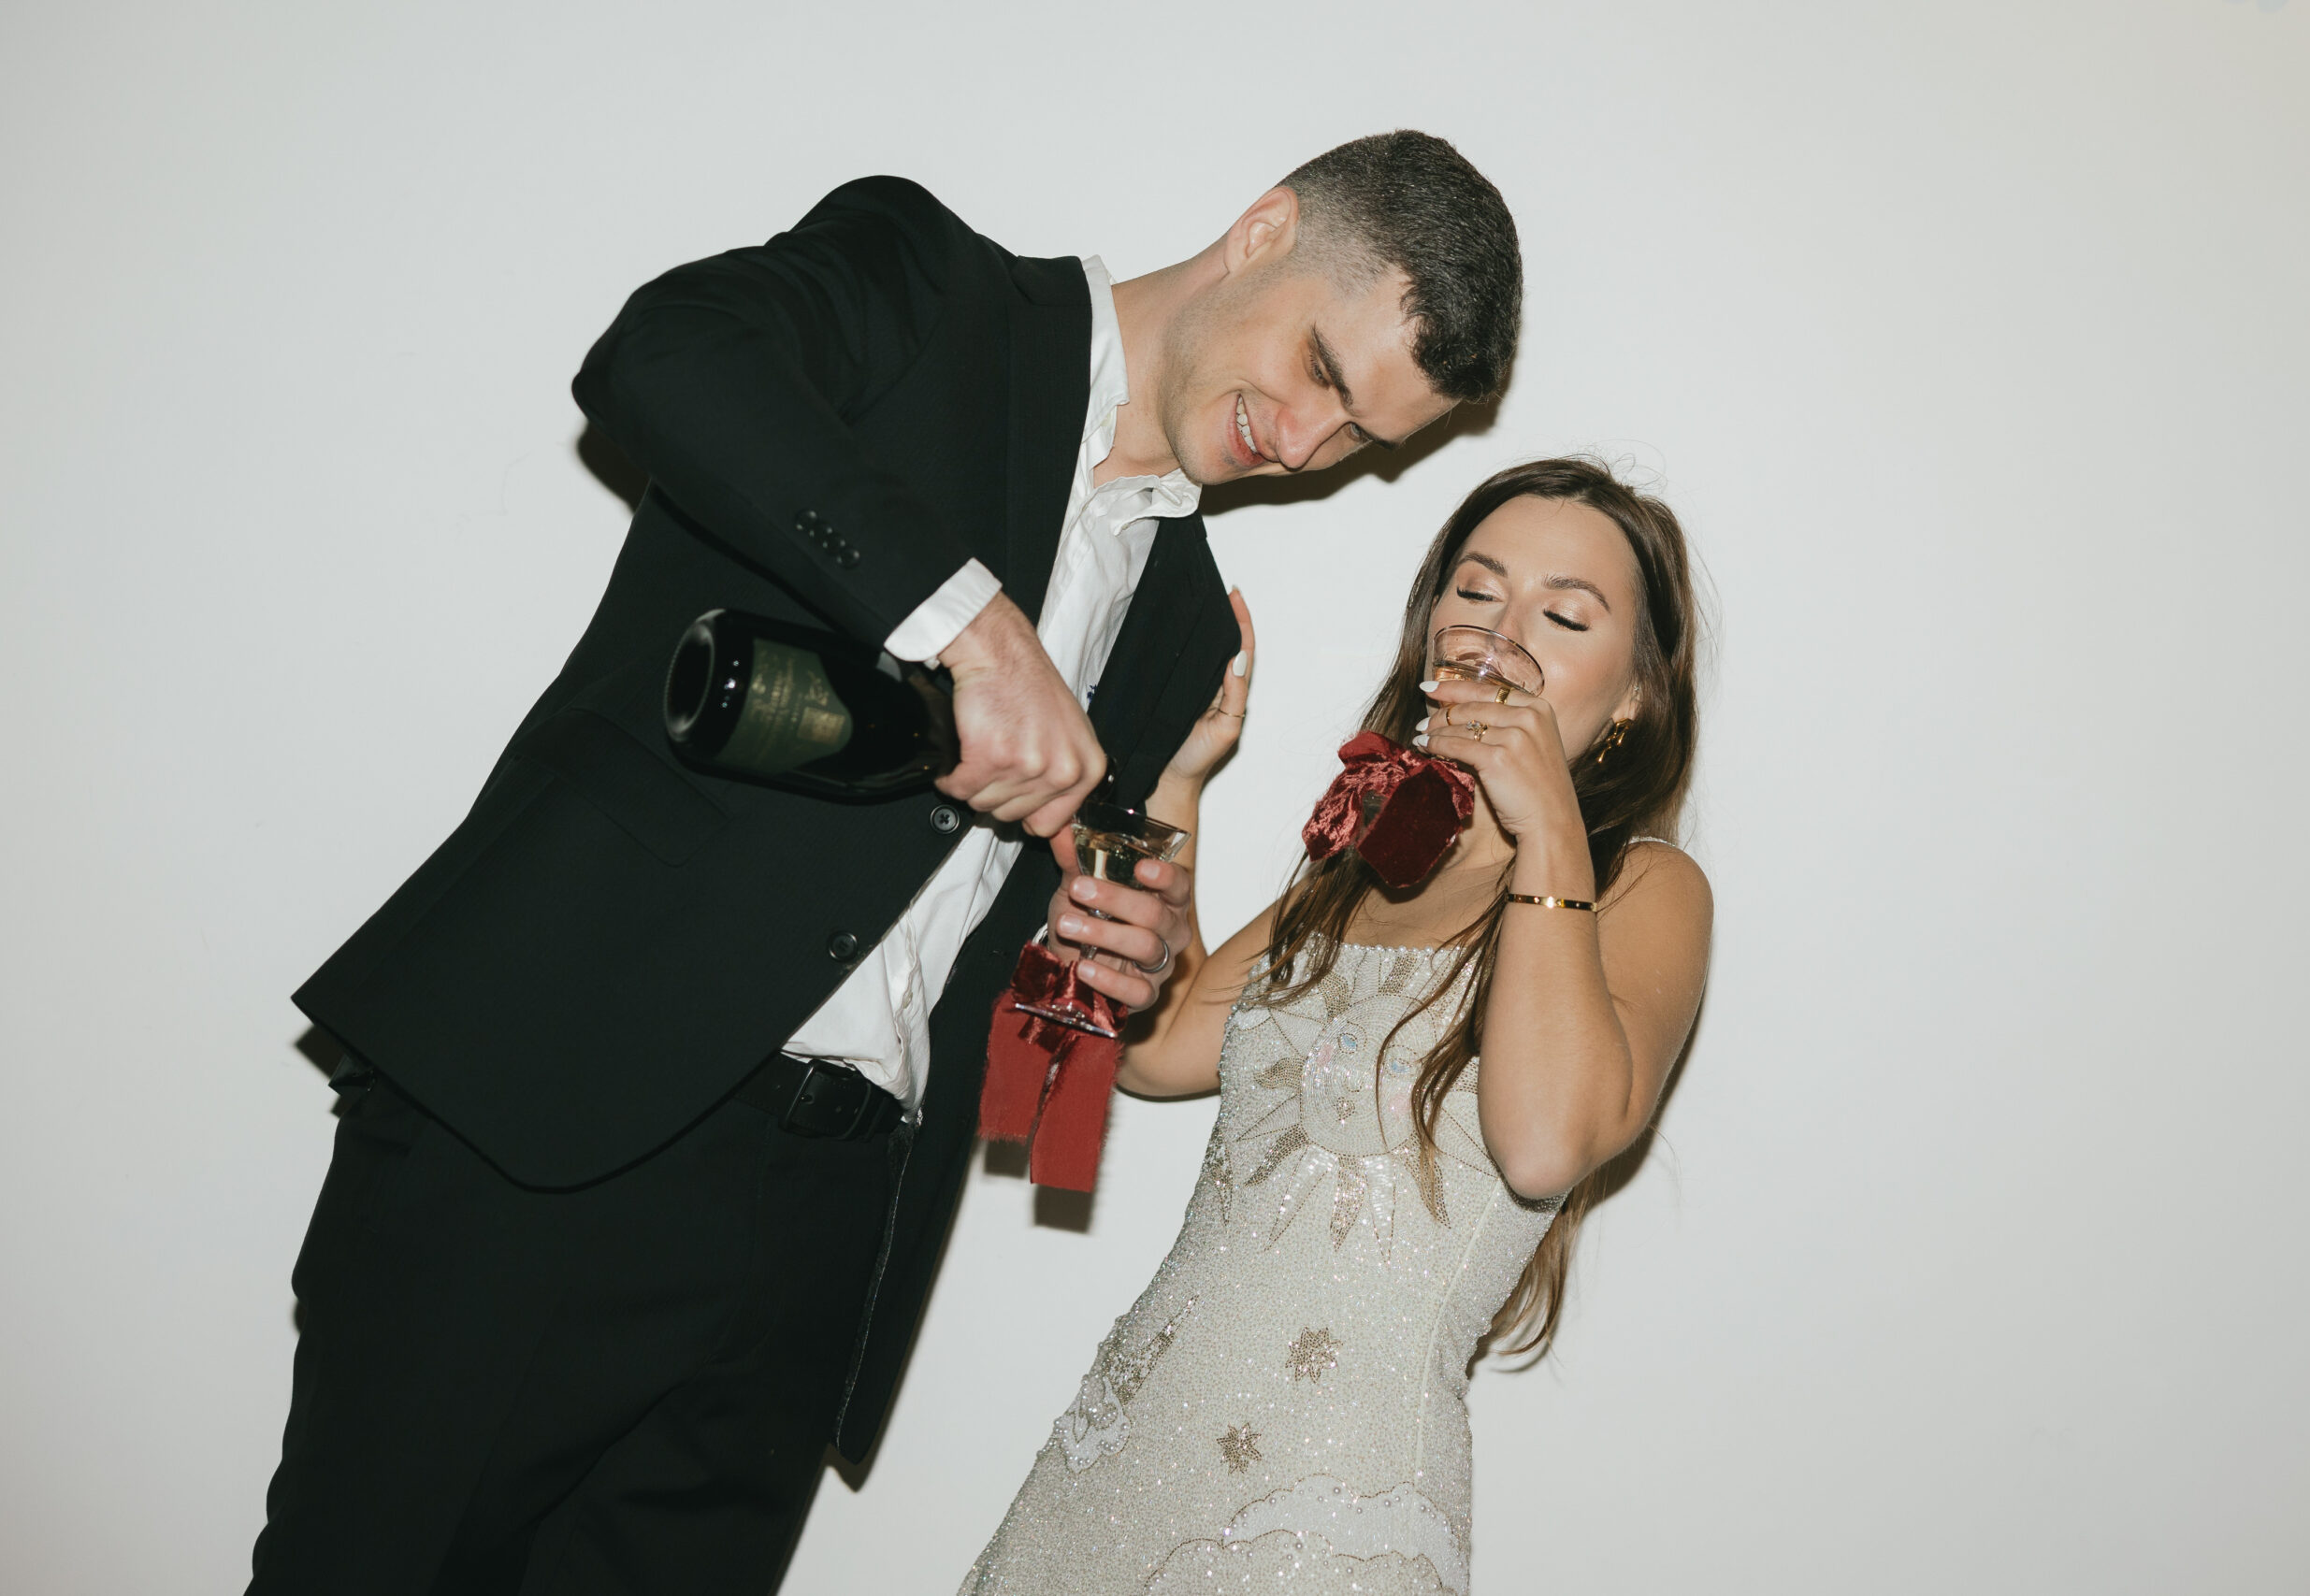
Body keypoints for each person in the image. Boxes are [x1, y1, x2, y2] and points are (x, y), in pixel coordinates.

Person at [249, 132, 1522, 1594]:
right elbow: (660, 353)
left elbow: (1034, 1033)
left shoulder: (1185, 620)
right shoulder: (934, 290)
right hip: (560, 1121)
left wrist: (1125, 958)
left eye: (1361, 439)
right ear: (1263, 230)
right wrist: (971, 624)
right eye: (1321, 369)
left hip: (828, 1234)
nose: (1305, 443)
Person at [960, 457, 1714, 1595]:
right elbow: (1164, 1054)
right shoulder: (1370, 851)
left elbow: (1545, 1143)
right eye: (1474, 591)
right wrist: (1181, 784)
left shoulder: (1643, 890)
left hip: (1328, 1512)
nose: (1498, 634)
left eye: (1562, 615)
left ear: (1633, 696)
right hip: (1121, 1450)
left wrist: (1549, 828)